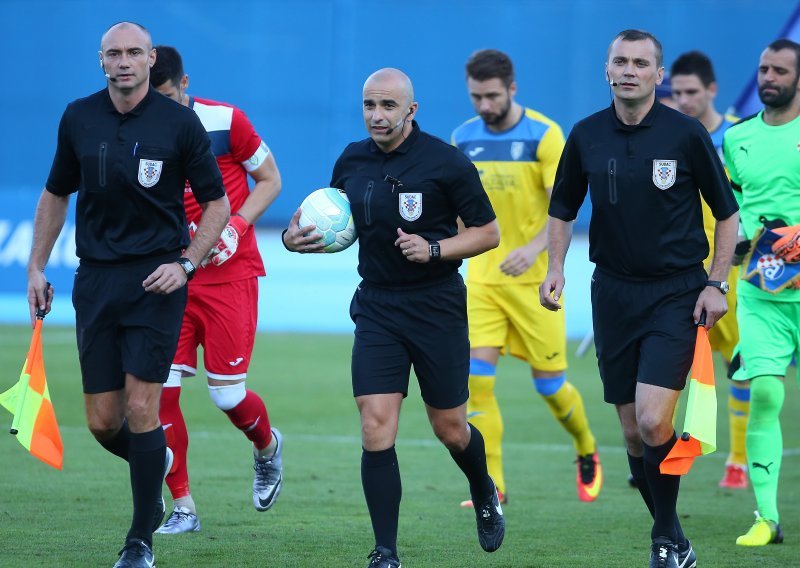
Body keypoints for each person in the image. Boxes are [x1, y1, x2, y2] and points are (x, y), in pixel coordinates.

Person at [26, 22, 229, 568]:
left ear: (150, 58)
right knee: (101, 420)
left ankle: (139, 541)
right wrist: (37, 266)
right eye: (113, 53)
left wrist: (186, 264)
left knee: (143, 405)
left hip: (156, 280)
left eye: (133, 52)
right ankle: (153, 462)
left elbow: (217, 205)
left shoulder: (180, 124)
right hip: (95, 280)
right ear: (101, 61)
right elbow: (55, 193)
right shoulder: (78, 116)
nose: (123, 61)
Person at [282, 68, 504, 568]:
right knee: (375, 424)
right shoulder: (352, 159)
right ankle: (385, 551)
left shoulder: (445, 163)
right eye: (369, 106)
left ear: (412, 110)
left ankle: (482, 486)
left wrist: (435, 247)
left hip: (436, 306)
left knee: (450, 427)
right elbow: (333, 221)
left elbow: (488, 233)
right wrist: (293, 240)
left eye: (387, 106)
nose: (376, 116)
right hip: (378, 307)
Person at [540, 30, 738, 568]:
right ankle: (673, 536)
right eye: (620, 61)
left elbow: (727, 214)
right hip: (612, 293)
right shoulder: (585, 136)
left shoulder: (686, 134)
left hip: (676, 292)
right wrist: (556, 268)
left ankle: (665, 539)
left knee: (654, 422)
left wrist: (715, 284)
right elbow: (561, 211)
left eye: (640, 63)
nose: (629, 70)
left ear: (658, 74)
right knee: (632, 432)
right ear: (607, 70)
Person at [451, 49, 602, 507]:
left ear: (512, 89)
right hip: (483, 283)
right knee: (477, 381)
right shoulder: (463, 138)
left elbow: (565, 207)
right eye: (476, 96)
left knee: (550, 387)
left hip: (536, 284)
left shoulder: (545, 135)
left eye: (492, 95)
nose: (483, 105)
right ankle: (492, 485)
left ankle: (586, 447)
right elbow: (460, 212)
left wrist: (534, 249)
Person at [149, 45, 283, 534]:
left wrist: (237, 226)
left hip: (230, 275)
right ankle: (182, 505)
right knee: (158, 392)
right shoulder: (137, 125)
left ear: (185, 84)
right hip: (168, 277)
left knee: (227, 397)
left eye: (166, 94)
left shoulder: (226, 120)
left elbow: (270, 179)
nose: (157, 105)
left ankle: (267, 448)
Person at [723, 38, 800, 547]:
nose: (768, 76)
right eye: (763, 68)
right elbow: (729, 206)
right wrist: (734, 244)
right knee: (766, 393)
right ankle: (766, 517)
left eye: (779, 70)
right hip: (762, 289)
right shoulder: (737, 138)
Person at [670, 50, 748, 490]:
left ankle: (737, 458)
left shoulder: (737, 138)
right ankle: (670, 444)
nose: (683, 100)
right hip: (681, 269)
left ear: (712, 90)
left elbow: (751, 195)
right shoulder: (671, 137)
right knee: (674, 364)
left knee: (736, 363)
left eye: (691, 92)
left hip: (729, 269)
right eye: (677, 92)